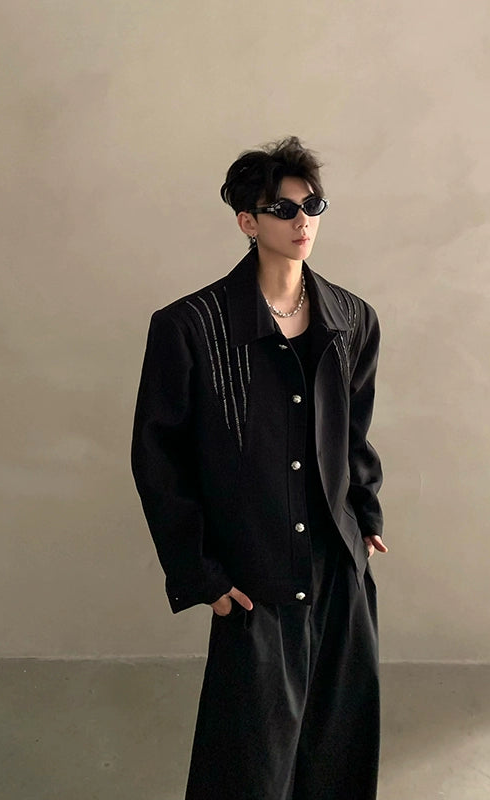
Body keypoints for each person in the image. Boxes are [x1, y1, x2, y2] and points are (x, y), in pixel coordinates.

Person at [131, 136, 387, 800]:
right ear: (248, 221)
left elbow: (354, 434)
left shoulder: (352, 320)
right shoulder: (191, 327)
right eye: (283, 208)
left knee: (337, 747)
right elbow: (158, 461)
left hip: (336, 567)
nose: (303, 221)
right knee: (248, 762)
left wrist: (365, 515)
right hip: (253, 571)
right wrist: (200, 573)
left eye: (313, 206)